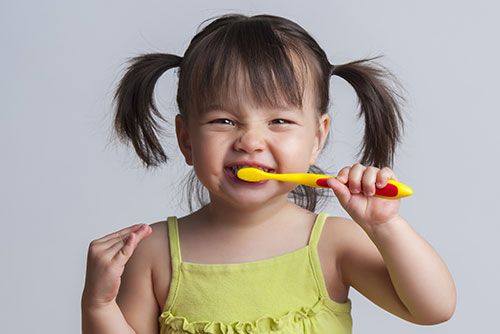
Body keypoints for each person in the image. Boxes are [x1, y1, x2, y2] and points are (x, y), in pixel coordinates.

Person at [81, 13, 456, 334]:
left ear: (317, 137)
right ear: (187, 140)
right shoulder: (153, 253)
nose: (251, 141)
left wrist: (385, 227)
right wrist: (99, 305)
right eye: (223, 120)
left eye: (279, 120)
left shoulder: (333, 244)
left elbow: (433, 308)